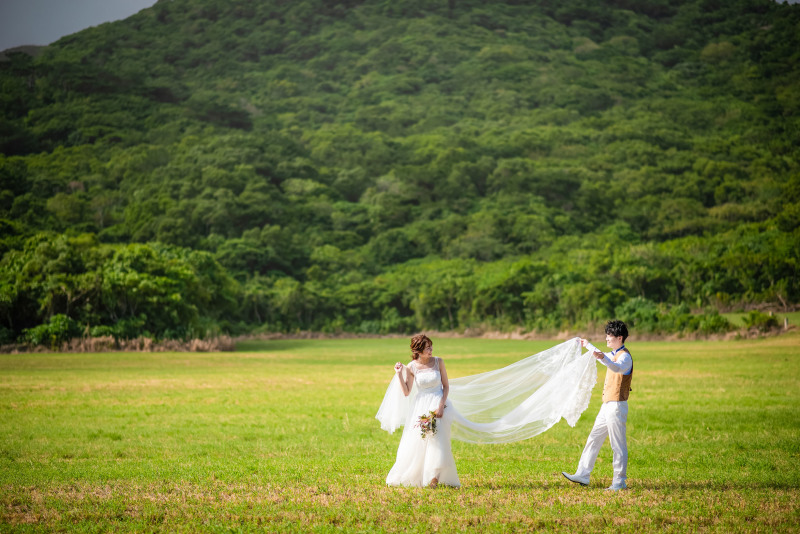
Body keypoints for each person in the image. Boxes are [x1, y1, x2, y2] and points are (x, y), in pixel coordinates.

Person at [562, 319, 633, 491]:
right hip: (606, 405)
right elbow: (603, 357)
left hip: (617, 406)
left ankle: (619, 482)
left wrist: (602, 356)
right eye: (607, 335)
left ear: (620, 337)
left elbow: (616, 367)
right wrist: (587, 345)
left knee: (618, 445)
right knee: (594, 438)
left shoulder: (625, 357)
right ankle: (583, 474)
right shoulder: (613, 353)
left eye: (610, 336)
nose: (607, 338)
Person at [385, 334, 460, 488]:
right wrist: (399, 374)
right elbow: (406, 391)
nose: (431, 350)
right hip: (420, 406)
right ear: (418, 350)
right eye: (427, 348)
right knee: (420, 441)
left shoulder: (439, 362)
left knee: (439, 439)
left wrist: (441, 405)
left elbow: (446, 386)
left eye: (431, 346)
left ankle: (434, 477)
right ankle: (419, 475)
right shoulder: (411, 366)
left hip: (439, 404)